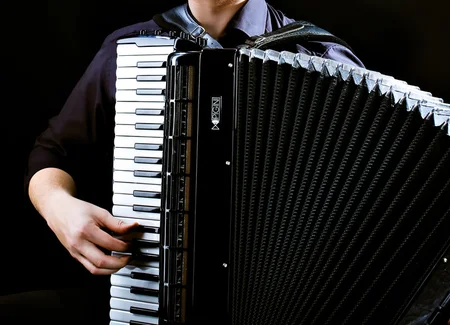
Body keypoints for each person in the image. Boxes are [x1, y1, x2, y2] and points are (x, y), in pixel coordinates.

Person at [8, 0, 363, 322]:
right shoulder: (130, 49)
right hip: (147, 299)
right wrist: (58, 206)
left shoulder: (324, 58)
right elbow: (54, 151)